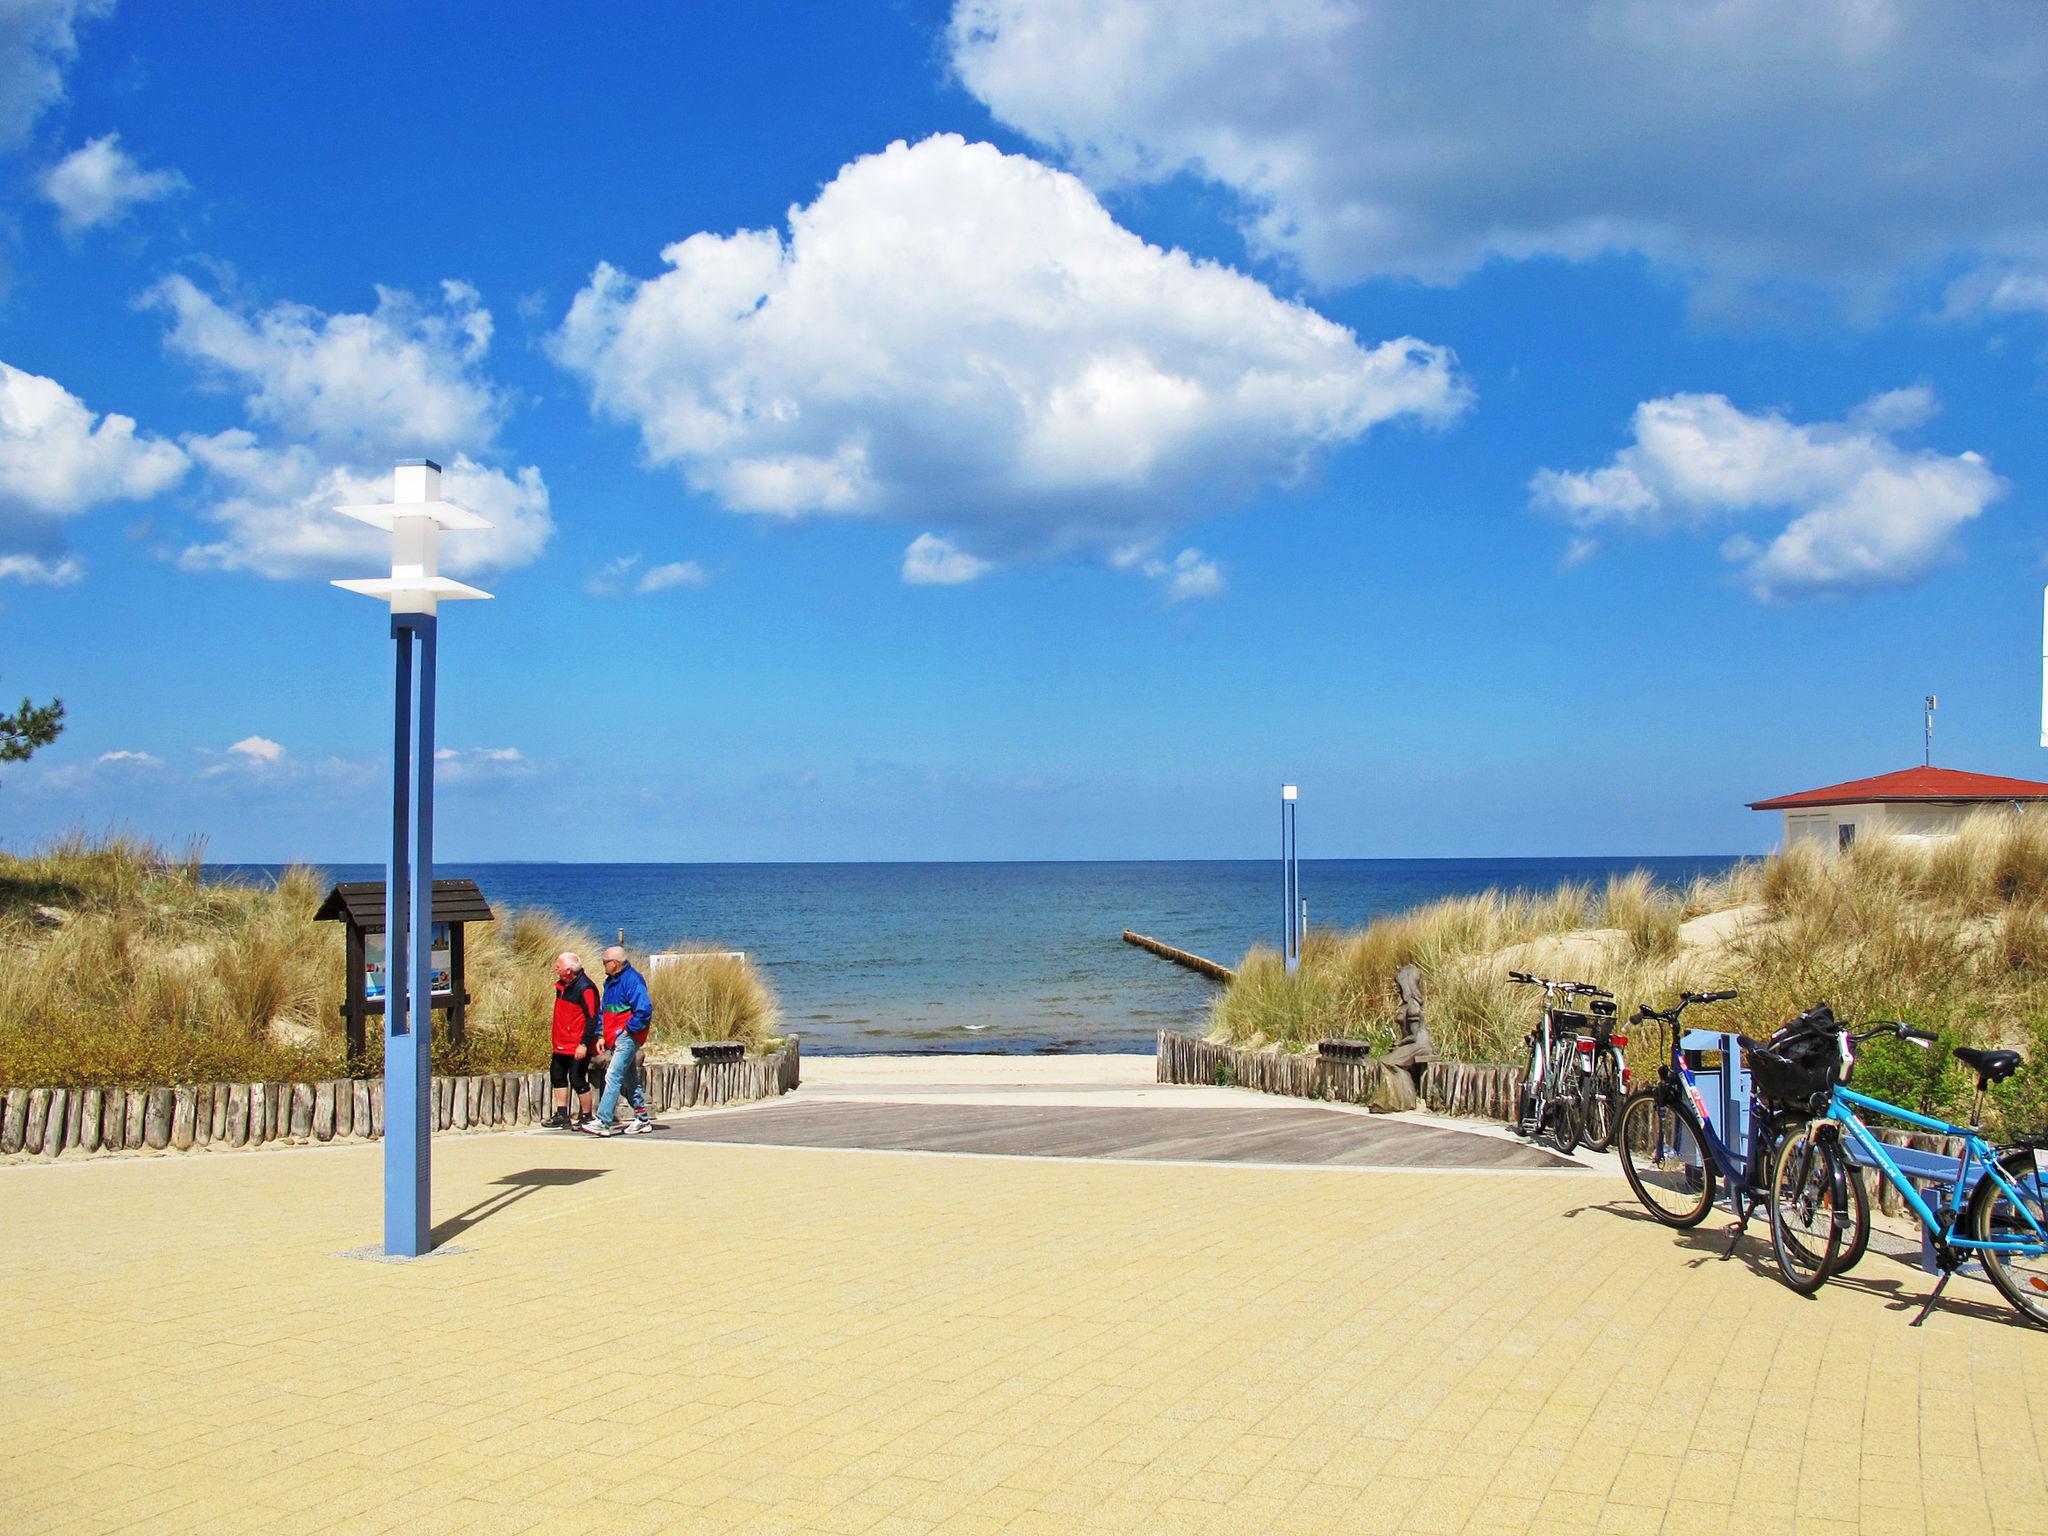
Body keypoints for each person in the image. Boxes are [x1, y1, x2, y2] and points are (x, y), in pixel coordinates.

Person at [581, 944, 655, 1136]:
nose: (603, 965)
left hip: (627, 1037)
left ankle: (603, 1120)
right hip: (614, 1036)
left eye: (605, 962)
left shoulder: (632, 980)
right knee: (630, 1079)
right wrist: (601, 1034)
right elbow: (604, 1011)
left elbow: (644, 1009)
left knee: (612, 1075)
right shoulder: (611, 981)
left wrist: (628, 1030)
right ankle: (642, 1118)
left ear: (615, 963)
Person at [546, 952, 600, 1129]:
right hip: (561, 1041)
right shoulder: (562, 985)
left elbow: (592, 1018)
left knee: (577, 1078)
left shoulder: (586, 988)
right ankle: (562, 1114)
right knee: (557, 1075)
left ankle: (587, 1116)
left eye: (559, 966)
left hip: (577, 1043)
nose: (556, 968)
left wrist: (584, 1043)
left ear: (568, 970)